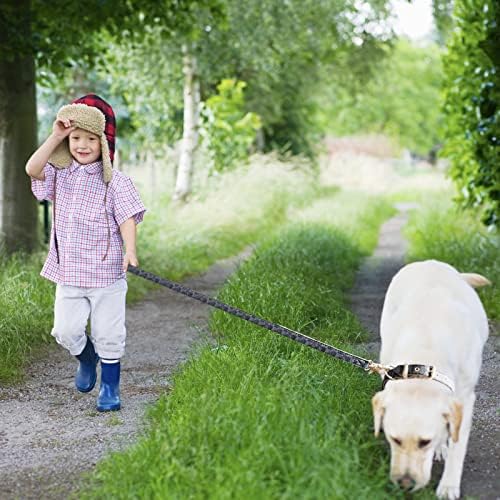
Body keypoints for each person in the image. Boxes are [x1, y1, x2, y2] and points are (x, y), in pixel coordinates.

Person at [25, 94, 146, 412]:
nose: (82, 145)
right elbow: (32, 168)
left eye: (90, 139)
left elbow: (127, 217)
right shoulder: (59, 175)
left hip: (106, 275)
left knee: (109, 332)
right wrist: (56, 135)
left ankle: (109, 387)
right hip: (70, 274)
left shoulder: (116, 183)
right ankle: (86, 357)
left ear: (103, 144)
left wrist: (130, 250)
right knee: (65, 330)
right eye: (76, 138)